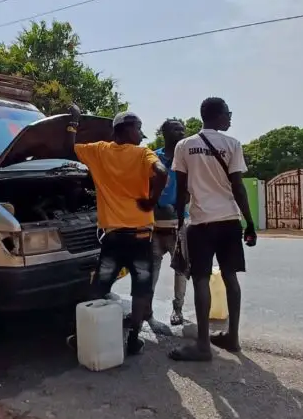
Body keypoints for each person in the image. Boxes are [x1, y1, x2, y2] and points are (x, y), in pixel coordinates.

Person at [65, 107, 169, 356]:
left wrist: (74, 122)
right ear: (127, 129)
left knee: (100, 286)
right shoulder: (143, 153)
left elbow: (71, 147)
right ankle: (133, 341)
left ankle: (83, 338)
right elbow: (162, 173)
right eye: (138, 130)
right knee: (141, 290)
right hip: (141, 237)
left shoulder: (99, 151)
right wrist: (151, 201)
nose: (140, 136)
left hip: (113, 238)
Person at [169, 97, 257, 362]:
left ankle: (203, 345)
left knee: (201, 279)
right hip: (229, 221)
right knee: (230, 277)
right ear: (217, 116)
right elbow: (238, 187)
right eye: (228, 114)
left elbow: (182, 190)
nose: (230, 118)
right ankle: (233, 338)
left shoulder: (185, 146)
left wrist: (179, 222)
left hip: (201, 222)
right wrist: (249, 222)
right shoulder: (232, 145)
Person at [152, 119, 190, 326]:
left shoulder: (185, 158)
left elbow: (190, 189)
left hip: (178, 223)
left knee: (180, 271)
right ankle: (146, 309)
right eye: (176, 128)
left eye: (183, 129)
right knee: (152, 270)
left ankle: (178, 309)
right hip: (155, 225)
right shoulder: (152, 157)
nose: (181, 131)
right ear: (164, 131)